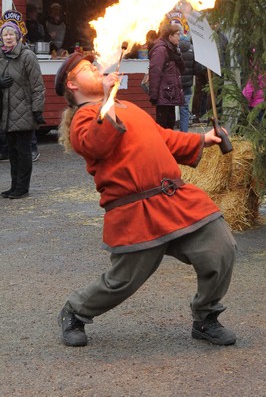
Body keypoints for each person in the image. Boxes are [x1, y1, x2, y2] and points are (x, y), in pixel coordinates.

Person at [55, 52, 237, 348]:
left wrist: (201, 139)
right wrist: (107, 98)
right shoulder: (82, 120)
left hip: (175, 198)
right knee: (122, 281)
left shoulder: (127, 107)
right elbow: (99, 142)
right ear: (73, 86)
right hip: (135, 211)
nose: (97, 69)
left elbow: (161, 138)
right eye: (87, 69)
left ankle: (205, 318)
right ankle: (74, 311)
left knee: (220, 246)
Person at [0, 21, 45, 198]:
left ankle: (22, 188)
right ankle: (14, 186)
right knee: (12, 151)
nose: (8, 37)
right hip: (6, 111)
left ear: (18, 36)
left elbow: (38, 85)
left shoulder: (27, 56)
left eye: (12, 34)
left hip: (24, 109)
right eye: (5, 34)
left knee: (23, 150)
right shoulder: (1, 56)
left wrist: (37, 109)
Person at [148, 23, 185, 129]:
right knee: (163, 127)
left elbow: (182, 69)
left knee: (170, 126)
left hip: (170, 95)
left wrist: (178, 56)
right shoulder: (161, 50)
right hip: (164, 95)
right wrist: (154, 95)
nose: (179, 37)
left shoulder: (172, 49)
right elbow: (155, 72)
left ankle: (169, 146)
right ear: (170, 37)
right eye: (177, 34)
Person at [178, 34, 202, 132]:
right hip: (187, 85)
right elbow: (198, 69)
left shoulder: (175, 49)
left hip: (175, 84)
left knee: (171, 108)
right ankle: (184, 133)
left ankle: (170, 134)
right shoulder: (193, 49)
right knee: (184, 109)